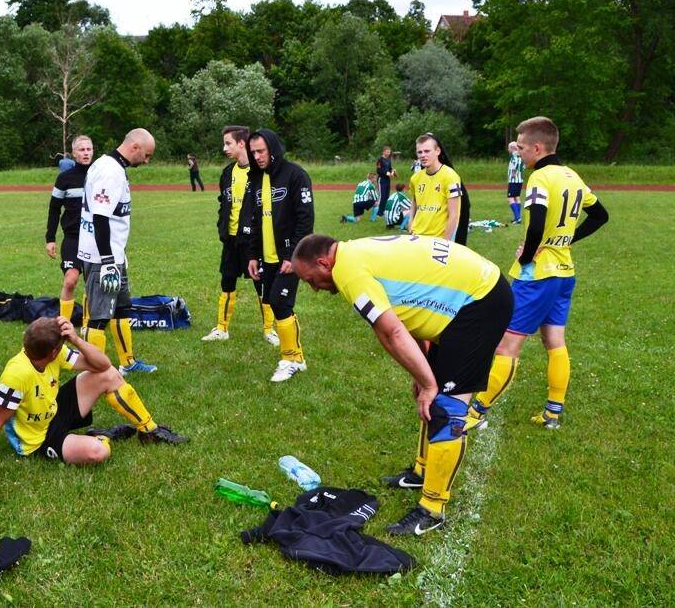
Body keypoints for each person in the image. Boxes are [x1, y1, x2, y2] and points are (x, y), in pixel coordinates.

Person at [292, 233, 513, 535]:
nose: (314, 288)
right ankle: (422, 472)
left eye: (310, 280)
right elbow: (409, 318)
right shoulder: (355, 253)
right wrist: (420, 376)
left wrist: (428, 382)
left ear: (323, 262)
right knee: (430, 398)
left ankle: (432, 509)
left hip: (480, 301)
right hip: (469, 295)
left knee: (447, 408)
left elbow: (392, 332)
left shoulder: (348, 271)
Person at [466, 117, 609, 431]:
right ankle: (553, 412)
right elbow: (600, 215)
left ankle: (476, 412)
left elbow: (538, 226)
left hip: (537, 277)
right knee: (555, 341)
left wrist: (528, 255)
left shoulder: (540, 178)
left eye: (521, 147)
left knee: (507, 345)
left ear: (538, 147)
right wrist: (568, 239)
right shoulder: (572, 176)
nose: (518, 152)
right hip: (564, 273)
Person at [0, 317, 185, 477]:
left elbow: (103, 365)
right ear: (52, 352)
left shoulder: (49, 354)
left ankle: (149, 430)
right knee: (98, 453)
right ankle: (100, 436)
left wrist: (76, 340)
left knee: (109, 375)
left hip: (54, 409)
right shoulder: (16, 375)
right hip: (38, 441)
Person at [77, 128, 158, 375]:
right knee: (99, 317)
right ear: (134, 147)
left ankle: (127, 362)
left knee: (122, 308)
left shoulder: (109, 165)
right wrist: (109, 261)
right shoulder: (110, 171)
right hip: (103, 258)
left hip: (113, 254)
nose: (146, 161)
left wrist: (118, 255)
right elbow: (100, 218)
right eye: (146, 155)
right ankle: (94, 372)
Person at [246, 129, 314, 383]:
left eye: (261, 151)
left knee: (280, 303)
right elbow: (254, 218)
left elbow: (306, 219)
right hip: (266, 257)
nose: (257, 156)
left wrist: (292, 255)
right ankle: (297, 357)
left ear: (273, 148)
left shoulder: (296, 175)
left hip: (290, 255)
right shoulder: (256, 179)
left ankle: (291, 359)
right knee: (275, 303)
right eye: (253, 152)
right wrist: (253, 254)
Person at [201, 125, 278, 344]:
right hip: (231, 239)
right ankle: (221, 328)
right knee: (227, 281)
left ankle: (269, 330)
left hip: (254, 240)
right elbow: (223, 203)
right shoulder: (227, 173)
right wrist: (222, 226)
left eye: (228, 143)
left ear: (241, 143)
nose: (224, 148)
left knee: (262, 284)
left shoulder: (261, 173)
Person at [46, 135, 94, 323]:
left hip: (95, 238)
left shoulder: (99, 175)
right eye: (82, 150)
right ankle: (63, 325)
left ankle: (89, 324)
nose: (86, 153)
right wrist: (50, 238)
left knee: (92, 283)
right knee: (70, 280)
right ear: (74, 153)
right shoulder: (64, 178)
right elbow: (54, 209)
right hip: (73, 238)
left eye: (89, 149)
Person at [408, 134, 467, 243]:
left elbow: (454, 215)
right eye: (420, 152)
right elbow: (414, 203)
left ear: (437, 151)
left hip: (438, 239)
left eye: (427, 151)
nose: (423, 155)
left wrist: (445, 242)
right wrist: (410, 223)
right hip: (416, 236)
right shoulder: (415, 178)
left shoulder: (451, 176)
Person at [373, 146, 396, 221]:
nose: (389, 153)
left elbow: (390, 168)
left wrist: (393, 171)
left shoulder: (389, 160)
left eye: (389, 152)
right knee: (382, 196)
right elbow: (378, 170)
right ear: (384, 152)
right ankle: (378, 213)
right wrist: (386, 173)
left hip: (387, 180)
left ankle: (383, 211)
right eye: (387, 152)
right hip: (381, 180)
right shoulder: (380, 159)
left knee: (386, 196)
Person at [506, 141, 525, 224]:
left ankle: (517, 218)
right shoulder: (521, 157)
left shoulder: (514, 156)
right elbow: (523, 166)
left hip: (514, 180)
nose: (508, 149)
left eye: (509, 148)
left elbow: (515, 167)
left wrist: (513, 176)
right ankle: (518, 217)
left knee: (510, 198)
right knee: (517, 197)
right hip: (520, 180)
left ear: (512, 148)